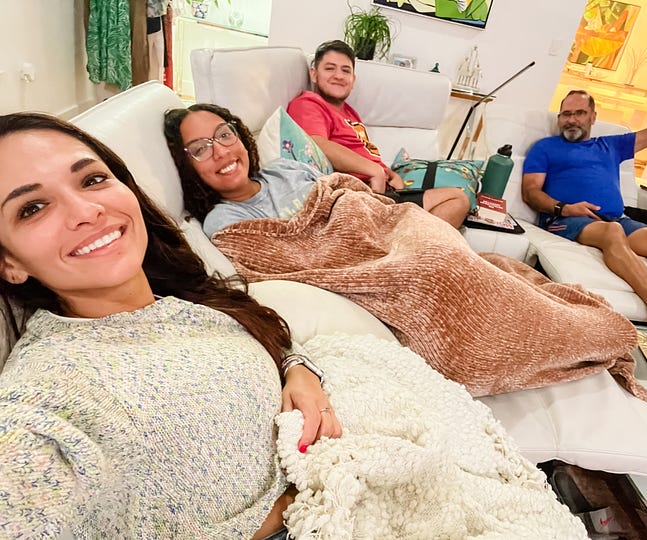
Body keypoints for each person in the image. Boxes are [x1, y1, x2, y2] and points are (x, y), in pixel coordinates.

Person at [0, 112, 341, 537]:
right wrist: (283, 512)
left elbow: (270, 335)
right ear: (8, 262)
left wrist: (298, 369)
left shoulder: (184, 296)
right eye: (32, 208)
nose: (87, 211)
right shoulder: (44, 398)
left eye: (91, 180)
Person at [522, 89, 647, 335]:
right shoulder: (546, 147)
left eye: (580, 113)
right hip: (568, 218)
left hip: (618, 218)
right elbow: (531, 191)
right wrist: (564, 207)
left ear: (593, 117)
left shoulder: (610, 145)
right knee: (612, 231)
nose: (571, 120)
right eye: (566, 114)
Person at [286, 39, 470, 229]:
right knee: (457, 199)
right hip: (358, 196)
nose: (338, 76)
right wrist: (374, 171)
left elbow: (362, 152)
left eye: (346, 70)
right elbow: (316, 143)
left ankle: (407, 248)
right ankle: (409, 248)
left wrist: (389, 173)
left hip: (382, 190)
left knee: (452, 203)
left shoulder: (349, 113)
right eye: (330, 68)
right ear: (314, 74)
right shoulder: (309, 104)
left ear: (353, 80)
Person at [164, 103, 323, 237]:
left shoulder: (285, 167)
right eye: (200, 149)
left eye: (224, 135)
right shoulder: (224, 220)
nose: (221, 152)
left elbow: (341, 190)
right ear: (188, 169)